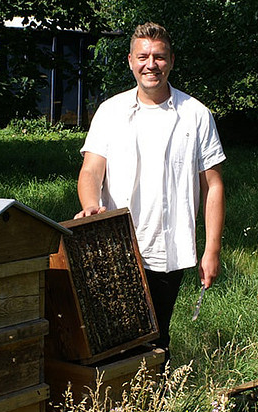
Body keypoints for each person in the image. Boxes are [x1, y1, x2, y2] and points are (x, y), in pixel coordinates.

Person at [74, 22, 225, 356]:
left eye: (158, 57)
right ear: (130, 60)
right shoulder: (110, 111)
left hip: (167, 247)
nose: (150, 64)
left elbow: (213, 186)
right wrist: (90, 206)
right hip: (116, 243)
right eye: (143, 57)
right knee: (113, 336)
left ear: (171, 61)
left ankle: (153, 402)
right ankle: (119, 401)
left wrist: (211, 250)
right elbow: (90, 171)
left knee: (156, 335)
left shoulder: (196, 115)